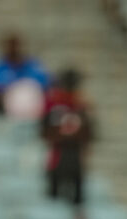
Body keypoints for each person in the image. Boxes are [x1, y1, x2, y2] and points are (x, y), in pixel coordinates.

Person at [41, 68, 94, 206]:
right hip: (59, 156)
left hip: (71, 157)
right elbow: (44, 132)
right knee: (55, 199)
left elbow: (89, 133)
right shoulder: (78, 106)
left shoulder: (80, 106)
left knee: (74, 199)